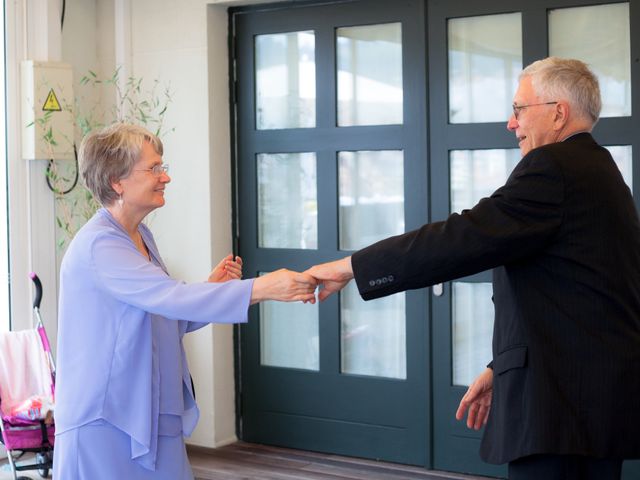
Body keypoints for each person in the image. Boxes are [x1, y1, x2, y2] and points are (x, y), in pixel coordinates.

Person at [306, 57, 640, 480]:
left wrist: (351, 267)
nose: (510, 123)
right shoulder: (600, 169)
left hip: (561, 410)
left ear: (558, 113)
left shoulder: (553, 168)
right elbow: (579, 295)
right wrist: (501, 364)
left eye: (519, 109)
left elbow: (461, 237)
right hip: (590, 401)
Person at [52, 123, 317, 479]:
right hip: (106, 417)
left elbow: (166, 316)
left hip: (147, 407)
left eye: (163, 167)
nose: (165, 177)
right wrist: (264, 287)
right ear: (117, 180)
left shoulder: (138, 235)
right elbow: (171, 297)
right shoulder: (100, 245)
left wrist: (213, 287)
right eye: (154, 168)